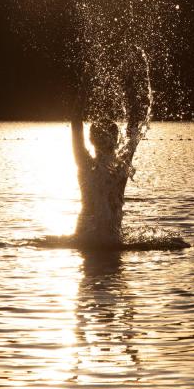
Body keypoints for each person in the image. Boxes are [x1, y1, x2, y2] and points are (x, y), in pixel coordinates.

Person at [71, 56, 151, 247]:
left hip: (85, 241)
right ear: (116, 141)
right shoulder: (121, 166)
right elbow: (133, 124)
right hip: (111, 242)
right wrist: (129, 85)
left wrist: (85, 85)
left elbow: (75, 122)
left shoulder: (85, 164)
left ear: (91, 140)